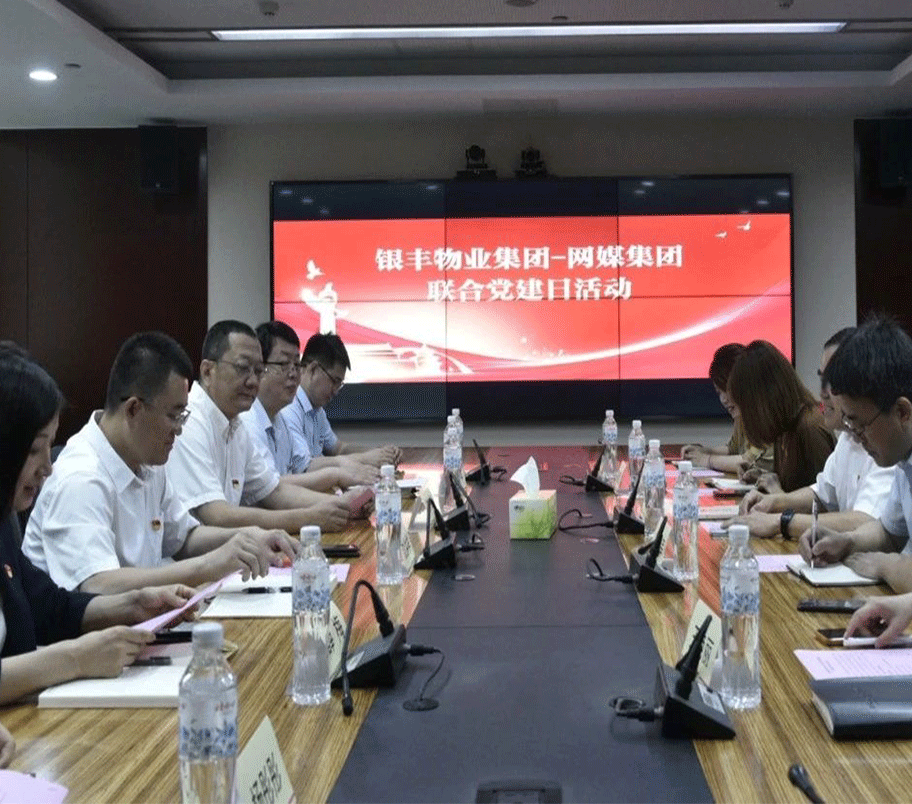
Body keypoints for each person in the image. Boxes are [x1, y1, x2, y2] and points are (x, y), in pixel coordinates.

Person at [22, 332, 298, 594]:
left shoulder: (148, 462)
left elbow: (184, 538)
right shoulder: (81, 477)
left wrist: (248, 537)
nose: (179, 429)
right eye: (174, 416)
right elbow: (98, 585)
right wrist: (209, 565)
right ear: (134, 409)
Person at [0, 349, 195, 704]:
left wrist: (133, 605)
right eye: (34, 449)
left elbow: (49, 607)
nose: (48, 467)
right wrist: (75, 659)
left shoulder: (3, 525)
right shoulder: (80, 477)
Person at [167, 321, 357, 534]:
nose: (252, 381)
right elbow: (217, 515)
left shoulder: (235, 424)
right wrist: (308, 518)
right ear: (208, 371)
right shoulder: (190, 421)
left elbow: (274, 491)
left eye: (258, 370)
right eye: (242, 368)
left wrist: (342, 505)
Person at [731, 328, 893, 538]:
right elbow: (822, 494)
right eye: (822, 379)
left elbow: (866, 520)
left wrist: (782, 521)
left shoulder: (887, 441)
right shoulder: (848, 437)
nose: (822, 393)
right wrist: (775, 502)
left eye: (833, 381)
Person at [799, 317, 912, 592]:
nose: (857, 437)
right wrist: (848, 542)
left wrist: (886, 566)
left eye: (860, 425)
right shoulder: (903, 458)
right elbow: (889, 532)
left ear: (902, 412)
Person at [240, 321, 378, 490]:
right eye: (284, 364)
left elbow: (296, 472)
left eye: (296, 365)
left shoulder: (279, 419)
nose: (293, 374)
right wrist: (338, 476)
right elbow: (271, 489)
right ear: (260, 369)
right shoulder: (248, 422)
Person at [281, 332, 401, 472]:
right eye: (334, 381)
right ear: (313, 369)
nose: (336, 391)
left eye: (340, 384)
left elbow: (338, 449)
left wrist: (380, 453)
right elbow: (305, 467)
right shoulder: (288, 408)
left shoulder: (317, 409)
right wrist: (366, 458)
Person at [725, 340, 834, 493]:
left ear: (763, 399)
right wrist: (763, 477)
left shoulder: (809, 427)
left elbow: (825, 501)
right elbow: (793, 485)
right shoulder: (784, 427)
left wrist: (777, 493)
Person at [681, 343, 773, 475]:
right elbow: (732, 450)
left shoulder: (767, 413)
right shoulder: (741, 415)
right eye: (719, 392)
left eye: (726, 389)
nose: (723, 399)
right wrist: (704, 451)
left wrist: (706, 459)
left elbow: (749, 462)